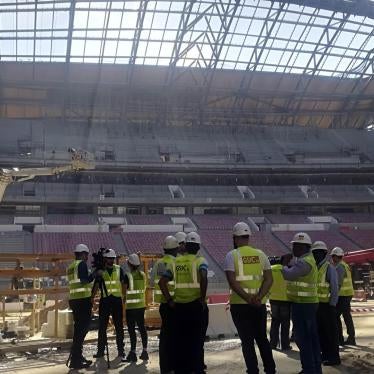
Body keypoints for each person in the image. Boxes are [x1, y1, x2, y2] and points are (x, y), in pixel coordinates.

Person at [224, 222, 276, 374]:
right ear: (248, 237)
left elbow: (232, 282)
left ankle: (253, 370)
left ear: (235, 238)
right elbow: (269, 279)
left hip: (240, 305)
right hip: (258, 305)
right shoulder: (261, 255)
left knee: (247, 341)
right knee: (262, 338)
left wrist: (247, 298)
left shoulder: (231, 255)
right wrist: (258, 297)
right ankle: (270, 369)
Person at [159, 232, 208, 374]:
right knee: (196, 341)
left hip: (178, 308)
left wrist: (169, 300)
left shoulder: (175, 263)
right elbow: (204, 277)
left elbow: (162, 282)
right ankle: (197, 369)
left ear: (185, 246)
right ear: (198, 247)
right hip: (195, 307)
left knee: (180, 341)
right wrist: (202, 298)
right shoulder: (201, 261)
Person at [282, 232, 322, 374]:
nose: (292, 249)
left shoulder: (305, 262)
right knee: (311, 338)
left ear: (303, 247)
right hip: (307, 304)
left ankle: (309, 369)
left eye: (295, 246)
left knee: (303, 339)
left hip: (303, 305)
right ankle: (315, 368)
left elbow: (288, 274)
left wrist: (283, 264)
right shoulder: (307, 260)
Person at [92, 248, 126, 361]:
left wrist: (124, 296)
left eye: (112, 259)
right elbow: (96, 285)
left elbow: (124, 283)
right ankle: (100, 351)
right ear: (105, 259)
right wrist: (92, 298)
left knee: (119, 326)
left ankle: (121, 350)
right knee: (102, 327)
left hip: (116, 300)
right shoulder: (101, 271)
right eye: (109, 259)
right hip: (105, 300)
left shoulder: (119, 269)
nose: (111, 261)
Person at [151, 235, 178, 374]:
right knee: (175, 338)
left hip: (162, 304)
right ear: (176, 249)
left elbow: (152, 282)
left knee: (165, 337)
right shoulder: (176, 263)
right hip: (174, 303)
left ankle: (165, 368)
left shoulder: (158, 264)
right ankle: (174, 366)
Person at [312, 241, 340, 366]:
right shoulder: (315, 267)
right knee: (321, 333)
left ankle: (334, 358)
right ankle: (325, 355)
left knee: (330, 334)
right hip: (317, 306)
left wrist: (332, 305)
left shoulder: (329, 267)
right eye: (315, 252)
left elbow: (334, 287)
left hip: (327, 306)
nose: (317, 255)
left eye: (319, 252)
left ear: (324, 253)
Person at [66, 243, 95, 369]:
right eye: (87, 255)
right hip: (82, 300)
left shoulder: (71, 266)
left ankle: (77, 356)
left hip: (74, 300)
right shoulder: (81, 264)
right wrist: (95, 274)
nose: (87, 257)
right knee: (81, 330)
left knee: (79, 330)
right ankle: (76, 359)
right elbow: (85, 280)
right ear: (83, 254)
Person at [123, 253, 148, 363]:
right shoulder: (143, 275)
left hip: (131, 307)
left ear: (129, 263)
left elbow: (123, 292)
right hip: (141, 306)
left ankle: (133, 352)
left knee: (132, 330)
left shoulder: (127, 276)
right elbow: (144, 287)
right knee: (142, 328)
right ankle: (145, 351)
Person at [331, 246, 356, 346]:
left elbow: (338, 283)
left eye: (333, 256)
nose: (332, 258)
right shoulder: (344, 265)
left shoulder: (340, 267)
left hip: (343, 295)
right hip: (347, 294)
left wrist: (333, 294)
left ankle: (340, 338)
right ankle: (351, 338)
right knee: (346, 316)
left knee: (336, 315)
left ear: (338, 256)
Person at [269, 255, 291, 351]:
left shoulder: (270, 270)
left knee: (275, 322)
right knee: (285, 323)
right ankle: (285, 345)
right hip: (285, 300)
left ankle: (273, 344)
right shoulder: (287, 270)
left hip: (273, 299)